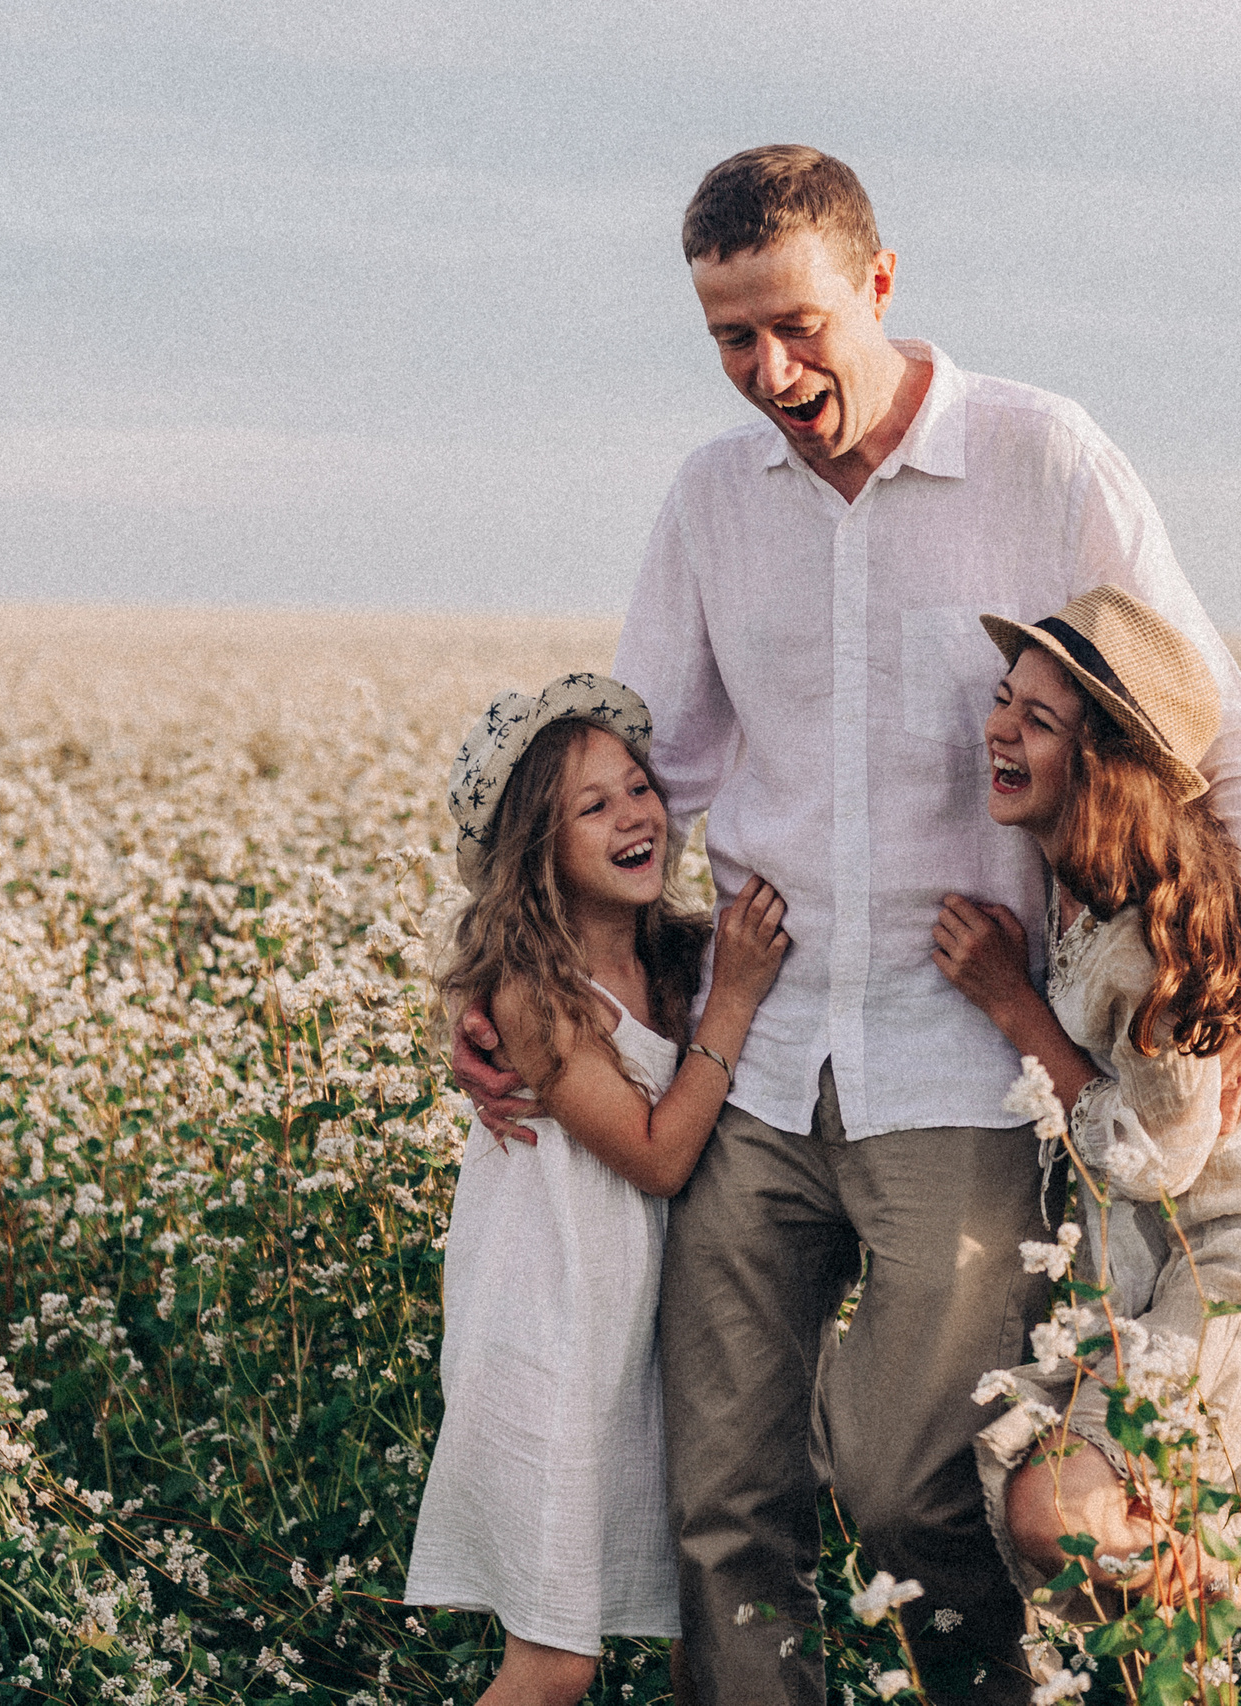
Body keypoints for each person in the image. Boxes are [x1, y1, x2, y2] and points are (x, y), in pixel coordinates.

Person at [451, 146, 1241, 1704]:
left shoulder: (1042, 458)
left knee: (919, 1482)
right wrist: (513, 987)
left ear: (881, 283)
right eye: (729, 338)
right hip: (758, 1060)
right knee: (723, 1505)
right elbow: (637, 776)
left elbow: (1223, 738)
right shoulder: (711, 500)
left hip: (966, 1074)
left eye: (795, 325)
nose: (769, 373)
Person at [929, 587, 1241, 1650]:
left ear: (1103, 764)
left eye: (1037, 719)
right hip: (1199, 1259)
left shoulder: (1154, 936)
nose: (998, 728)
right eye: (1001, 699)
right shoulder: (1085, 868)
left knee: (1063, 1509)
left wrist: (1010, 1003)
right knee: (1120, 1519)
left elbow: (1156, 1153)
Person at [406, 673, 792, 1706]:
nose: (635, 815)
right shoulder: (533, 993)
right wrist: (740, 1000)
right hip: (544, 1334)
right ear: (538, 847)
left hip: (637, 1343)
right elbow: (659, 1155)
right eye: (593, 805)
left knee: (687, 1615)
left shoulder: (676, 958)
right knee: (556, 1660)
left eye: (638, 787)